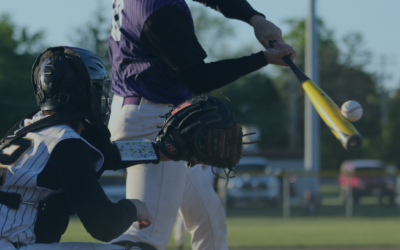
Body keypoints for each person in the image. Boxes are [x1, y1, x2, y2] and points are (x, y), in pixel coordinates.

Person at [108, 0, 296, 249]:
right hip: (153, 122)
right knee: (145, 238)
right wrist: (263, 59)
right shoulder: (160, 10)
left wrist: (255, 18)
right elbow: (198, 77)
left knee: (208, 219)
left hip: (153, 114)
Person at [0, 46, 170, 250]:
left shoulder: (27, 130)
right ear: (83, 92)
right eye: (98, 87)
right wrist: (133, 208)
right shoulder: (65, 142)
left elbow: (108, 155)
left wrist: (163, 149)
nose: (102, 95)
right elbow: (105, 226)